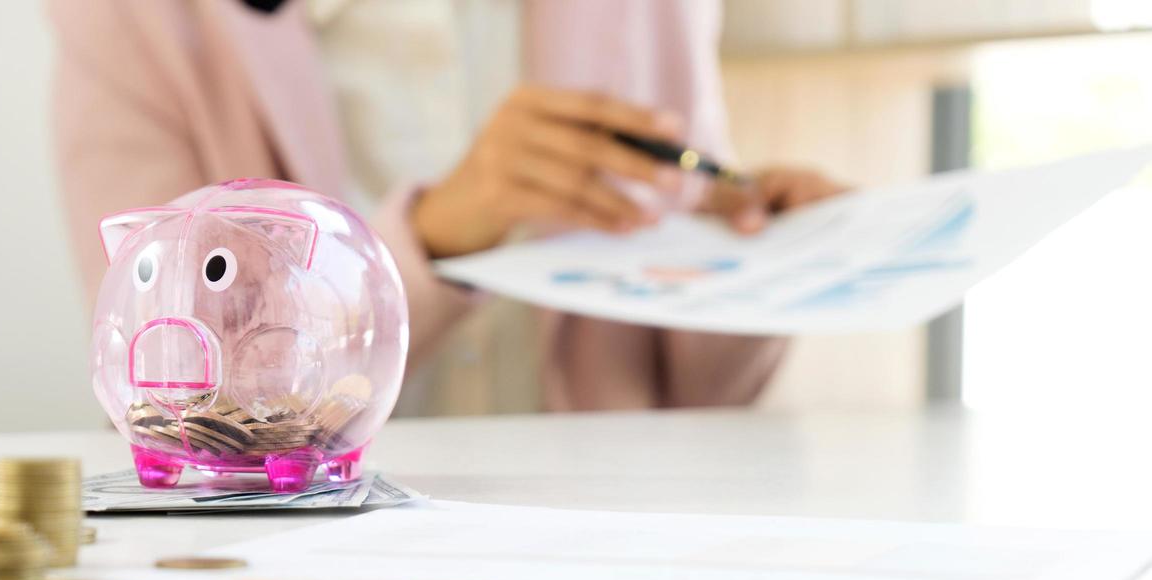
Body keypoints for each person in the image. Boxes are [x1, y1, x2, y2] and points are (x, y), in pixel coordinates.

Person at [47, 0, 844, 414]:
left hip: (602, 555)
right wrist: (430, 239)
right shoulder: (137, 21)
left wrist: (761, 264)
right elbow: (161, 383)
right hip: (295, 566)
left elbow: (704, 399)